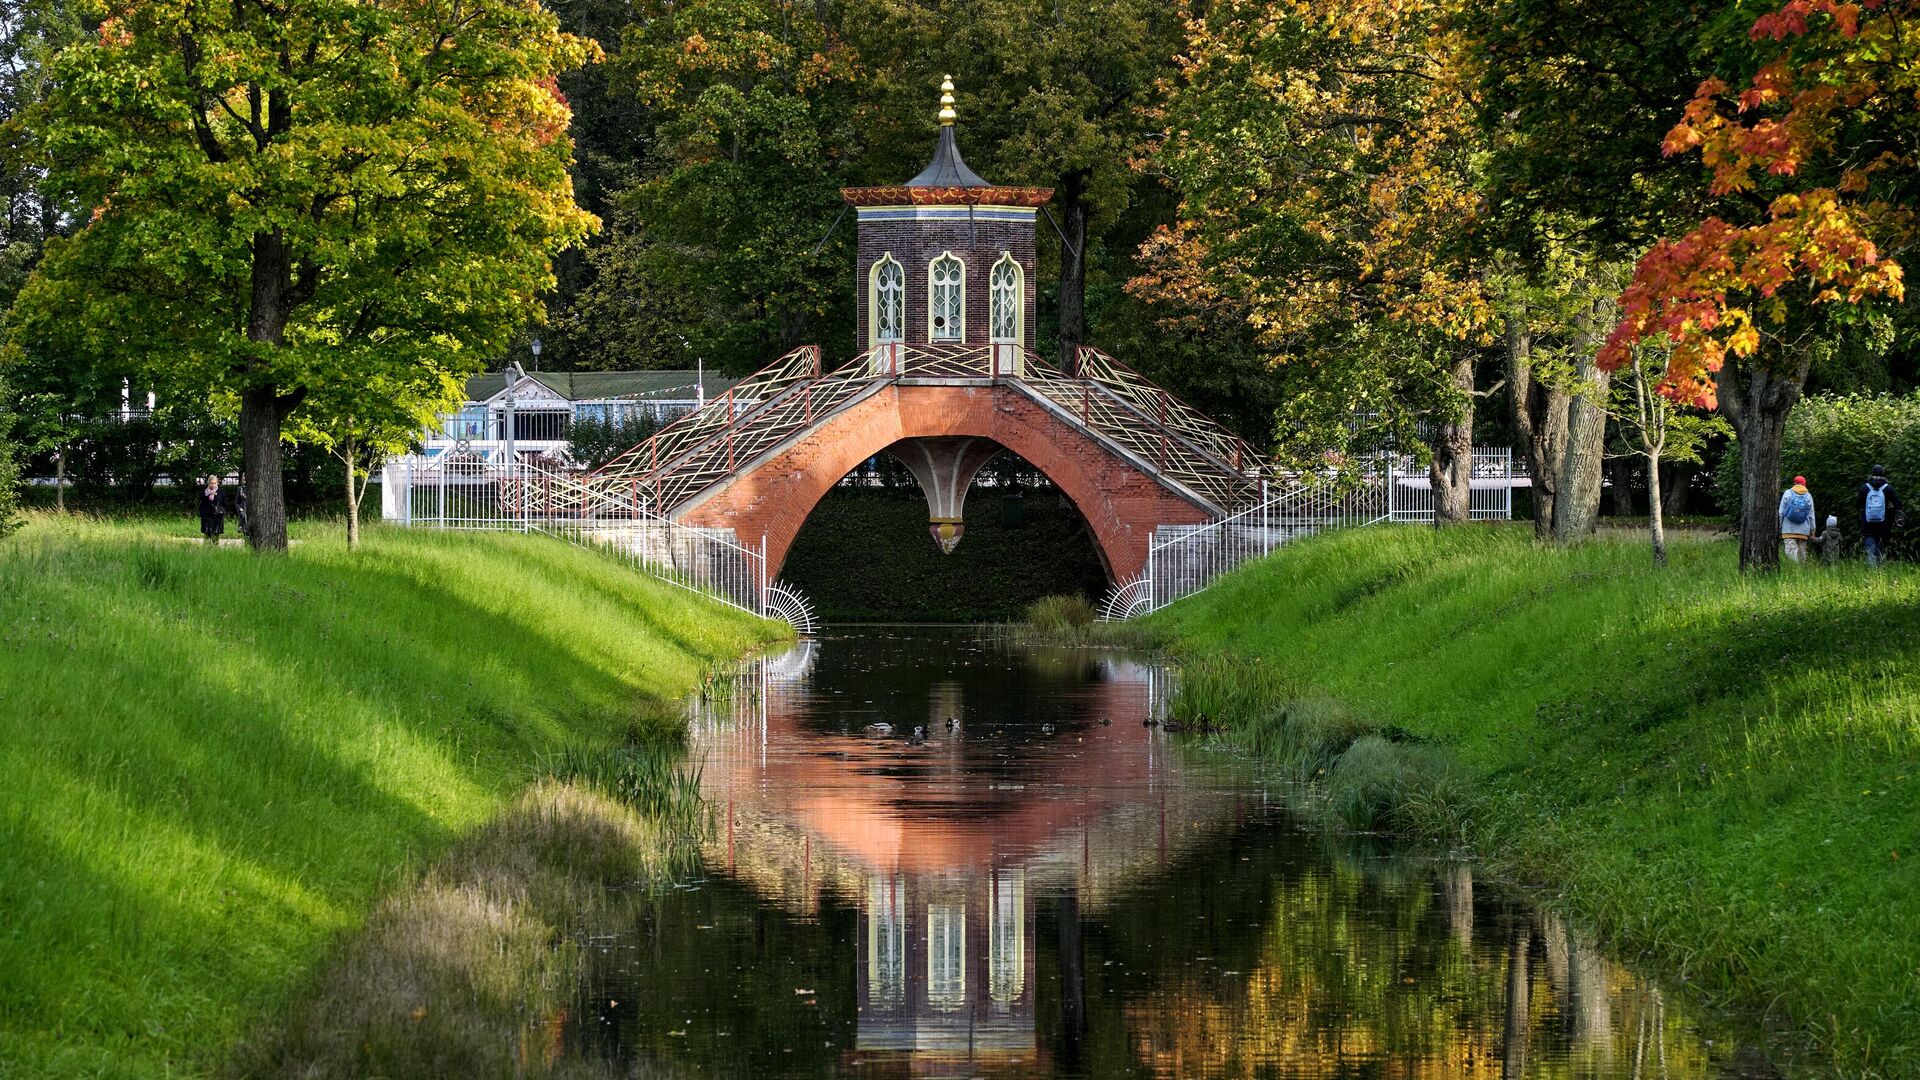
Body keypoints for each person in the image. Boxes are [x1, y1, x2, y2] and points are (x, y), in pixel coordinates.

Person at [1859, 464, 1903, 568]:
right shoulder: (1888, 488)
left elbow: (1858, 504)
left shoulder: (1865, 488)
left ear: (1872, 473)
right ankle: (1880, 569)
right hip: (1884, 523)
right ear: (1883, 473)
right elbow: (1898, 504)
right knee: (1881, 544)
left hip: (1868, 522)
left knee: (1870, 543)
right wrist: (1891, 512)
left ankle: (1872, 569)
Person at [1778, 475, 1816, 563]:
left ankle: (1793, 572)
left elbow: (1781, 512)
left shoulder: (1788, 493)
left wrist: (1779, 526)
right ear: (1804, 484)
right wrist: (1812, 530)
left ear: (1794, 483)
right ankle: (1801, 573)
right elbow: (1811, 515)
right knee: (1801, 556)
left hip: (1788, 529)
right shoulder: (1808, 495)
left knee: (1791, 555)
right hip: (1804, 530)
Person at [198, 474, 225, 543]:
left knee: (215, 538)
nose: (213, 485)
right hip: (207, 517)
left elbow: (224, 504)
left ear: (217, 483)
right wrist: (202, 514)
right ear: (208, 483)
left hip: (217, 517)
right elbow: (201, 505)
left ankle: (215, 552)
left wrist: (221, 512)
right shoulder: (204, 492)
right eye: (211, 483)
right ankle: (207, 552)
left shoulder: (221, 492)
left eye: (215, 483)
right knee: (207, 537)